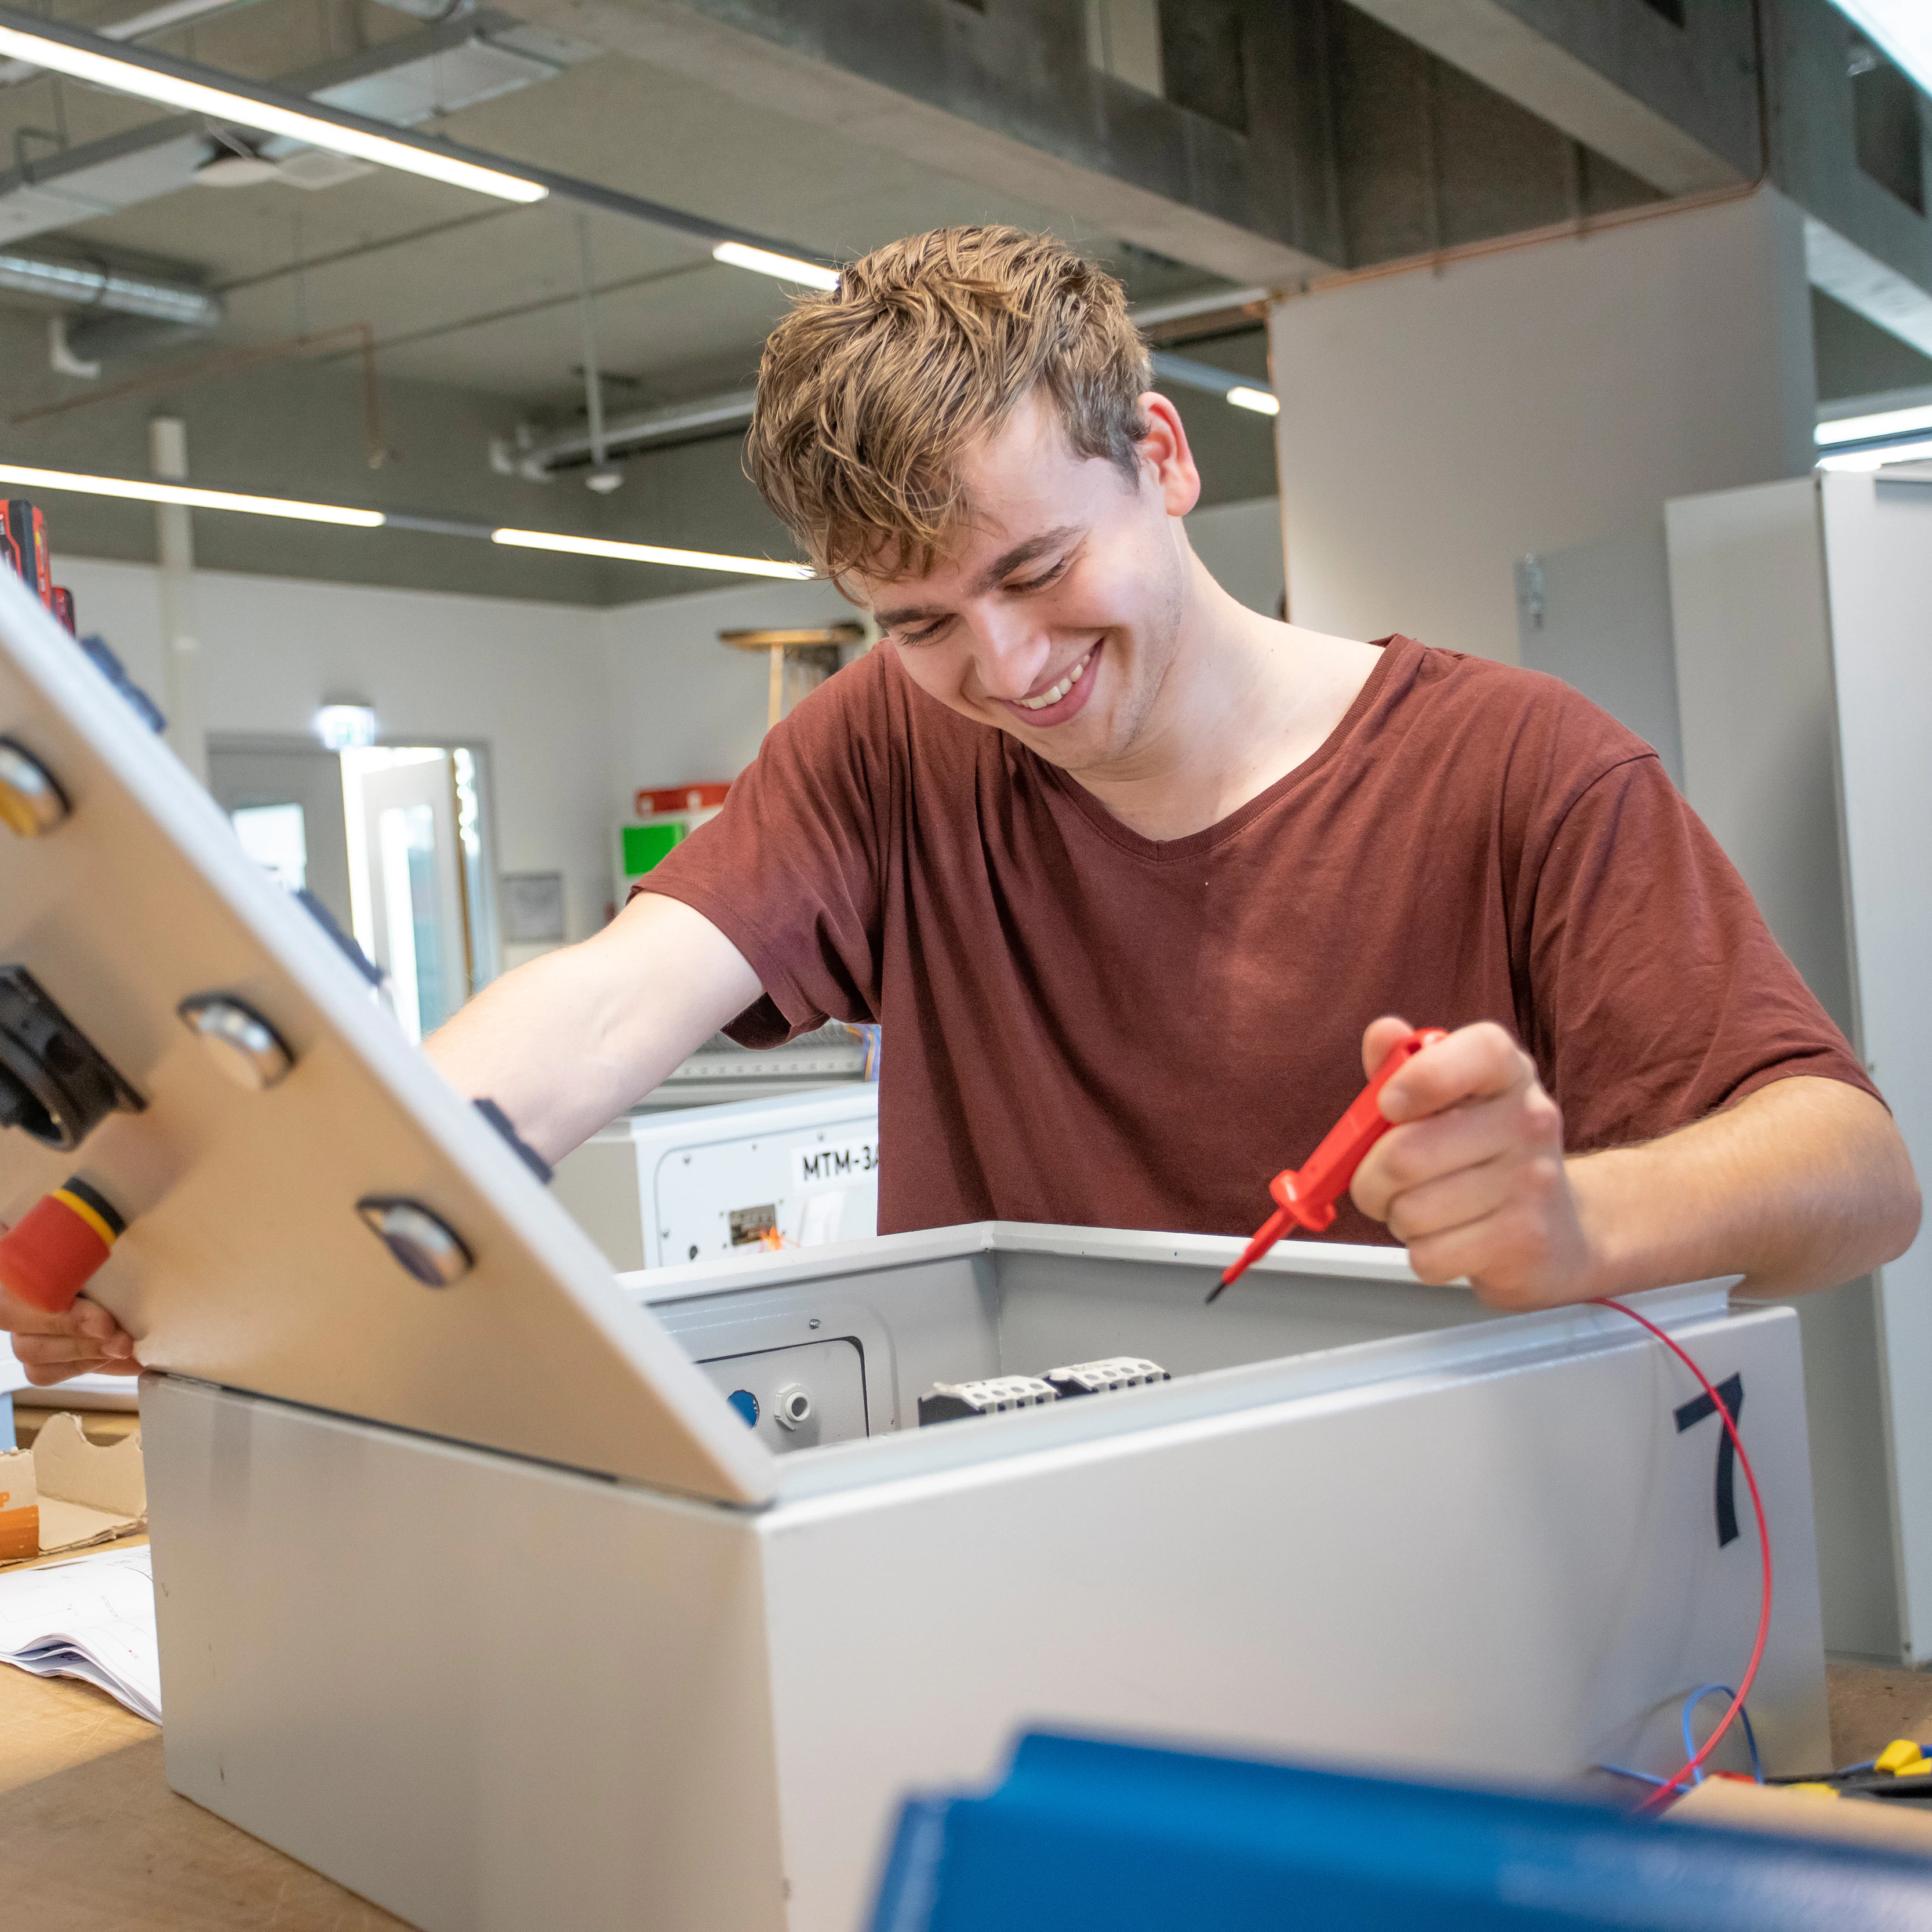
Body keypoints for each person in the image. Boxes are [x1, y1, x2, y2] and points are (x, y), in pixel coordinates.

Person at [8, 227, 1917, 1386]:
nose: (999, 670)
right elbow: (602, 1005)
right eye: (916, 620)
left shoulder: (1518, 765)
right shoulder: (890, 749)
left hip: (1455, 1560)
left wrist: (1577, 1218)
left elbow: (1851, 1171)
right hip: (1025, 1545)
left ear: (1158, 455)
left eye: (1031, 574)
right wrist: (292, 1234)